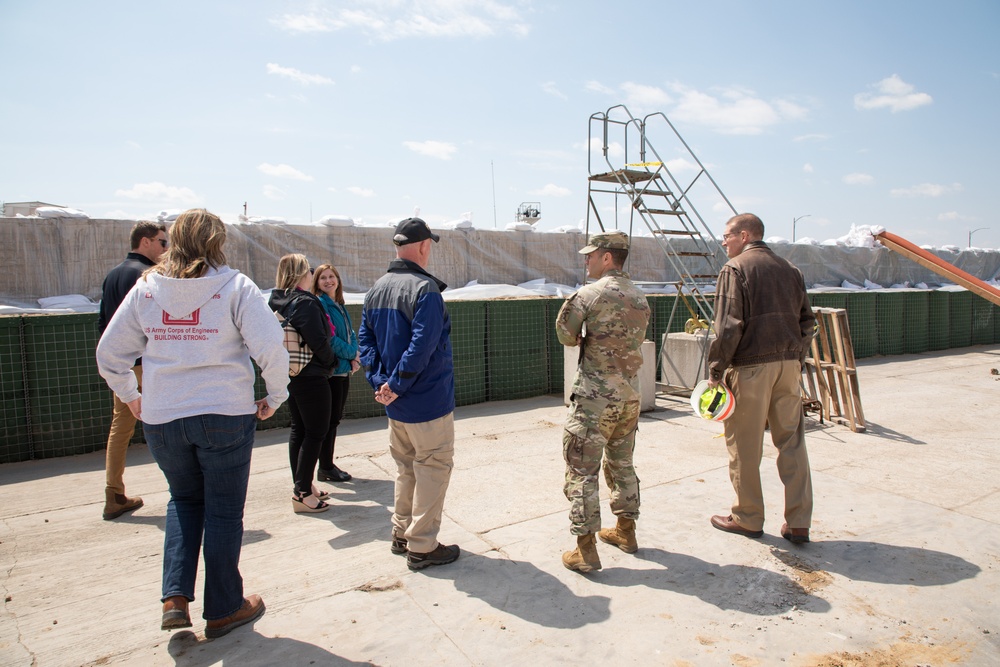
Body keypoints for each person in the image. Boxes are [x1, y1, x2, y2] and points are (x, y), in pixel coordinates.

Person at [96, 208, 288, 637]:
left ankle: (175, 598)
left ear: (174, 242)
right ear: (217, 241)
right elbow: (271, 347)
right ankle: (224, 607)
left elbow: (110, 354)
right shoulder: (235, 286)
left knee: (183, 501)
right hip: (224, 413)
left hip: (164, 417)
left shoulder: (147, 289)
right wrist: (276, 395)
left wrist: (132, 397)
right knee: (223, 511)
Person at [707, 213, 816, 544]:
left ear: (743, 235)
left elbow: (727, 326)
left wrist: (715, 371)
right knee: (792, 442)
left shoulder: (735, 269)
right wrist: (796, 356)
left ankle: (748, 517)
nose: (723, 241)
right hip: (788, 366)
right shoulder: (790, 270)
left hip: (750, 367)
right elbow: (807, 321)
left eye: (726, 235)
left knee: (744, 445)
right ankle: (799, 522)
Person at [358, 217, 459, 571]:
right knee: (432, 468)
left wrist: (381, 383)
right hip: (426, 402)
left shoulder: (376, 289)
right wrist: (395, 384)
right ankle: (422, 545)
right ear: (424, 245)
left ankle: (401, 533)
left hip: (395, 405)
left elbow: (364, 341)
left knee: (406, 469)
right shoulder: (425, 290)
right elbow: (422, 346)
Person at [556, 230, 650, 573]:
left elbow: (566, 334)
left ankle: (585, 549)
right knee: (622, 463)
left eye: (591, 255)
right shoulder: (640, 297)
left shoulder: (589, 295)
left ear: (607, 258)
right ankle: (626, 531)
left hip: (595, 401)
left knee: (581, 470)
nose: (586, 260)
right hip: (628, 397)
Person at [97, 220, 168, 520]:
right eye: (163, 243)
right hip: (146, 366)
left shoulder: (114, 274)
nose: (166, 250)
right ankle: (186, 492)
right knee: (167, 425)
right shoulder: (145, 276)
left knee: (120, 429)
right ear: (146, 242)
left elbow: (104, 325)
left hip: (124, 367)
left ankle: (114, 493)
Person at [269, 254, 339, 513]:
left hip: (291, 373)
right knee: (316, 432)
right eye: (309, 269)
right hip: (311, 374)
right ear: (301, 274)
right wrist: (332, 362)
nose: (312, 273)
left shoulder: (277, 300)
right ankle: (302, 493)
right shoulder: (305, 303)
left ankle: (303, 484)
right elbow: (318, 340)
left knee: (299, 429)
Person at [311, 263, 360, 483]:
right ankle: (326, 467)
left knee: (334, 420)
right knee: (328, 421)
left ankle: (327, 465)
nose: (328, 281)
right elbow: (330, 339)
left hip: (342, 368)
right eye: (323, 278)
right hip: (331, 371)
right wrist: (352, 354)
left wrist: (354, 356)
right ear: (317, 282)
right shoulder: (321, 304)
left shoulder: (338, 305)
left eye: (332, 277)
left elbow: (350, 333)